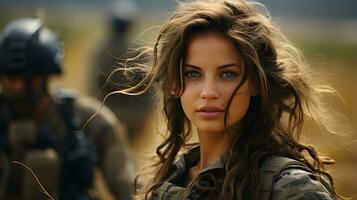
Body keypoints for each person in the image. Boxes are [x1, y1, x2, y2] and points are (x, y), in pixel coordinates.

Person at [114, 0, 345, 199]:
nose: (208, 92)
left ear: (255, 82)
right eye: (193, 74)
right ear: (175, 84)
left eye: (228, 74)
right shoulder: (170, 180)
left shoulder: (289, 188)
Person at [0, 18, 134, 200]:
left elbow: (127, 188)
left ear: (46, 76)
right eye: (10, 78)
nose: (17, 87)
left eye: (27, 79)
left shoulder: (88, 118)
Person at [88, 0, 156, 140]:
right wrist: (145, 115)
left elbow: (93, 88)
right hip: (133, 116)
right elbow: (149, 88)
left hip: (106, 114)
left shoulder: (101, 51)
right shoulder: (140, 51)